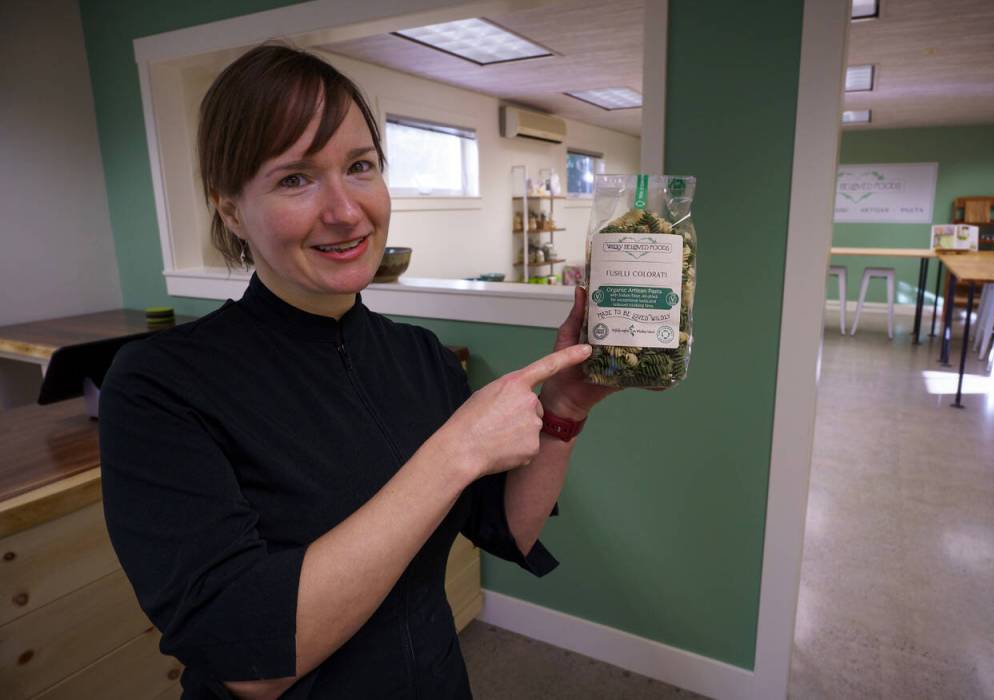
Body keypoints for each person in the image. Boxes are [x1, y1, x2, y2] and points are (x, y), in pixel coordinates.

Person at [99, 44, 615, 700]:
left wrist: (567, 406)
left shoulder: (419, 356)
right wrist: (453, 452)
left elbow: (506, 527)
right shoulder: (160, 385)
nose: (346, 211)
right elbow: (249, 656)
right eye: (295, 178)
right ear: (229, 208)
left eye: (360, 166)